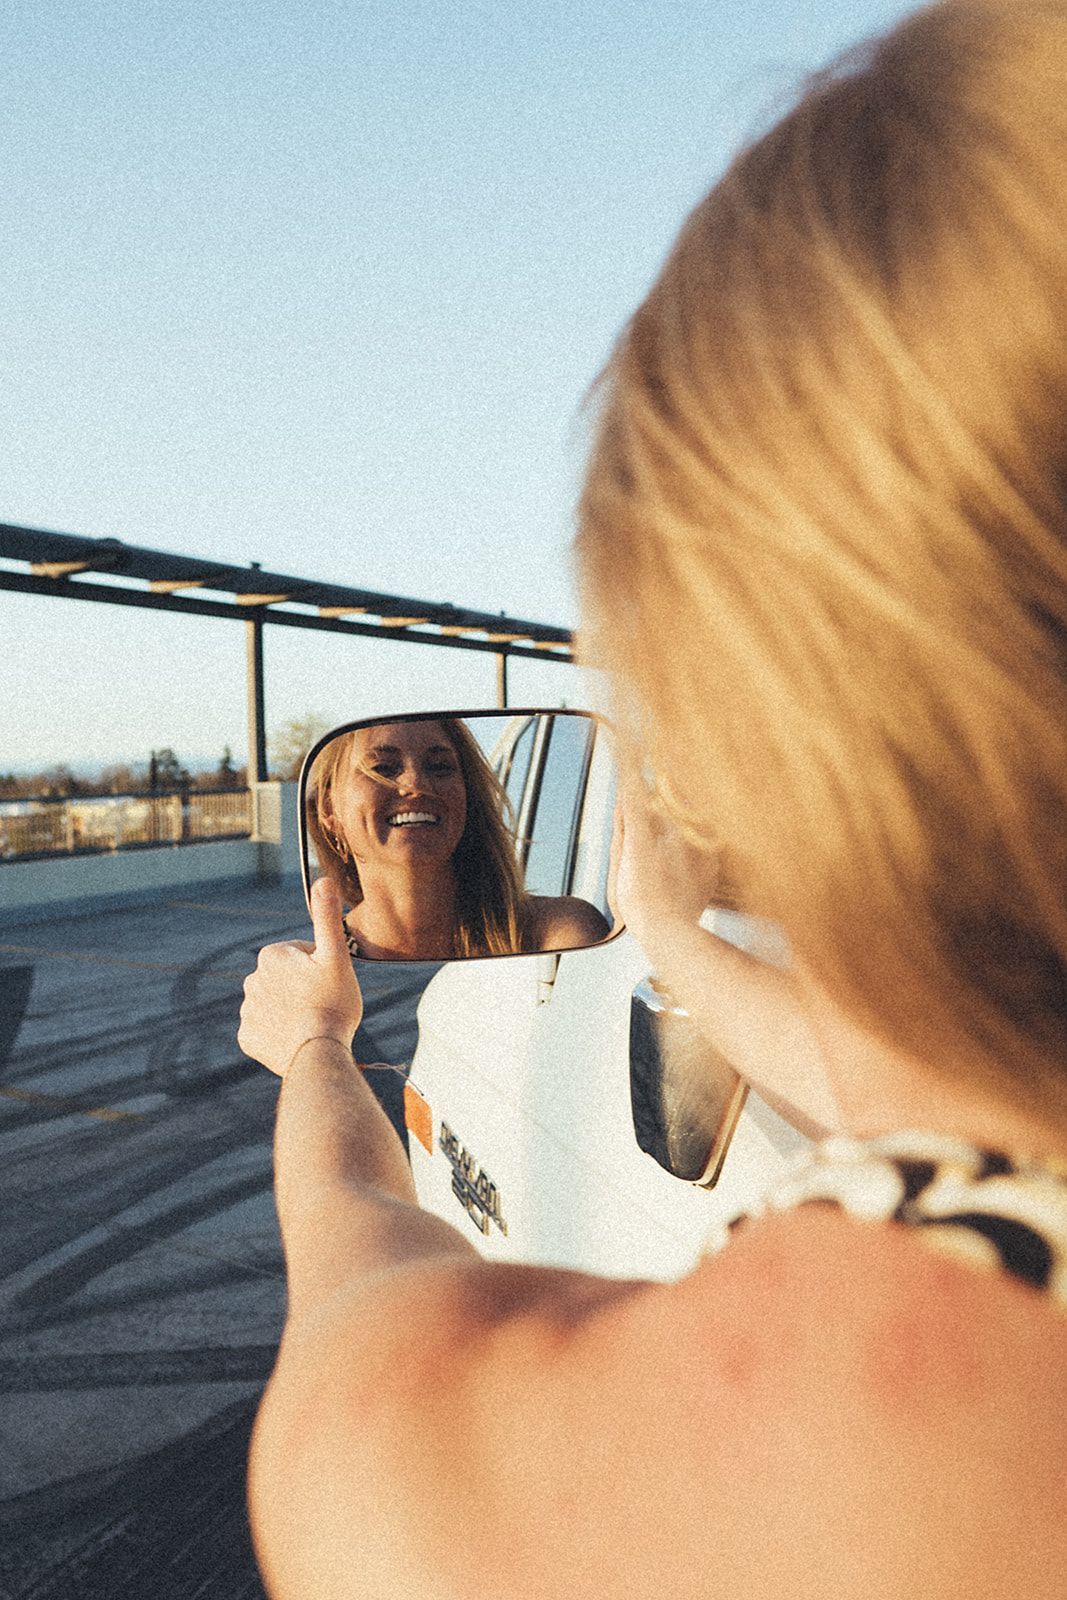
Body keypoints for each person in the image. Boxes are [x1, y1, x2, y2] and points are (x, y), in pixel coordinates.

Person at [237, 3, 1067, 1594]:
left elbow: (362, 1330)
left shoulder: (863, 1425)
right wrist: (692, 959)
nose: (411, 782)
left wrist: (316, 1055)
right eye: (376, 770)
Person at [305, 717, 611, 958]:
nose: (416, 783)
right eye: (383, 768)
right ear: (329, 810)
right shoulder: (320, 968)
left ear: (468, 797)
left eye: (440, 767)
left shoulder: (553, 933)